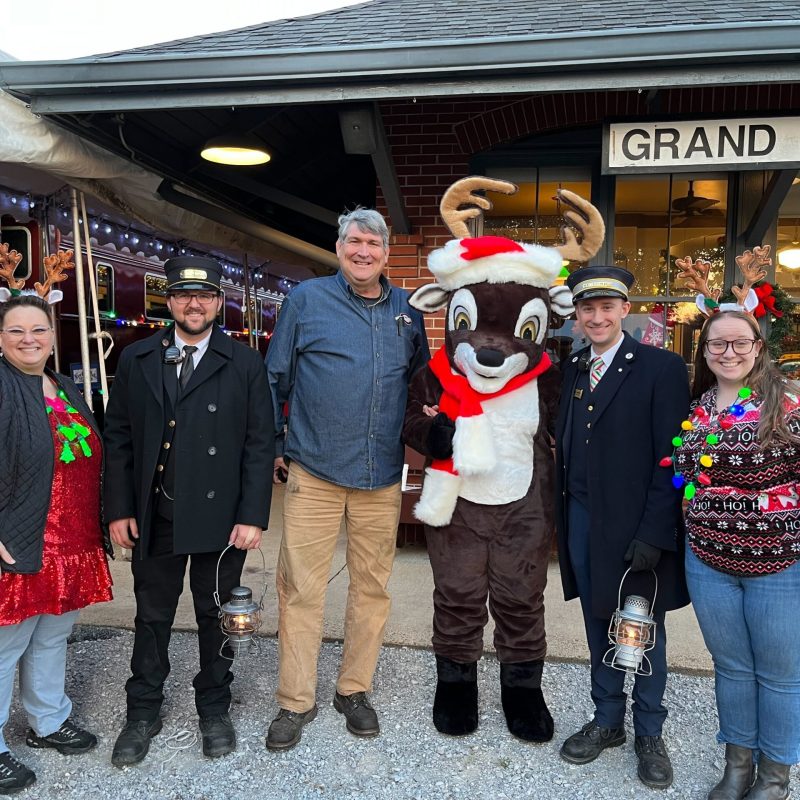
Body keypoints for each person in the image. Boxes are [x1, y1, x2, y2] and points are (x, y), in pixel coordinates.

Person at [264, 207, 429, 751]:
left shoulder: (408, 310)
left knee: (371, 589)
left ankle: (353, 690)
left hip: (381, 475)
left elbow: (421, 385)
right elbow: (275, 379)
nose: (363, 252)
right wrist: (273, 445)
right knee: (300, 588)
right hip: (314, 470)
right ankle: (295, 700)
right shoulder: (306, 301)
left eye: (373, 245)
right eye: (354, 242)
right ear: (339, 248)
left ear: (386, 254)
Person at [103, 256, 273, 766]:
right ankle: (143, 711)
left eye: (203, 296)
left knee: (214, 616)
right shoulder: (136, 358)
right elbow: (119, 437)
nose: (193, 304)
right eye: (182, 295)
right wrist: (119, 508)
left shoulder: (243, 361)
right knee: (151, 616)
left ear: (219, 303)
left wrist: (253, 515)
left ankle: (214, 707)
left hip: (220, 519)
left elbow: (260, 444)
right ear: (169, 301)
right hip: (154, 513)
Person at [554, 266, 690, 791]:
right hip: (584, 518)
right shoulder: (575, 367)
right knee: (597, 619)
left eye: (606, 307)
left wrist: (657, 531)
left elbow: (673, 458)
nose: (596, 317)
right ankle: (608, 719)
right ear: (577, 315)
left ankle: (649, 732)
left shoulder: (660, 367)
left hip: (636, 525)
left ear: (624, 309)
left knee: (641, 627)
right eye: (587, 309)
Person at [675, 310, 800, 800]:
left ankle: (775, 776)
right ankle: (738, 764)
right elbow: (688, 474)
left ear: (758, 347)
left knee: (779, 673)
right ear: (705, 352)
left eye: (739, 343)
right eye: (717, 345)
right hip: (708, 559)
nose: (729, 353)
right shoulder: (700, 406)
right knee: (731, 668)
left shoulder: (787, 405)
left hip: (779, 562)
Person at [0, 293, 112, 795]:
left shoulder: (63, 385)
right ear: (0, 338)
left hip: (71, 539)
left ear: (52, 335)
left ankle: (47, 721)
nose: (29, 339)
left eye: (38, 330)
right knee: (6, 647)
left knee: (51, 637)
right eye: (17, 330)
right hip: (21, 539)